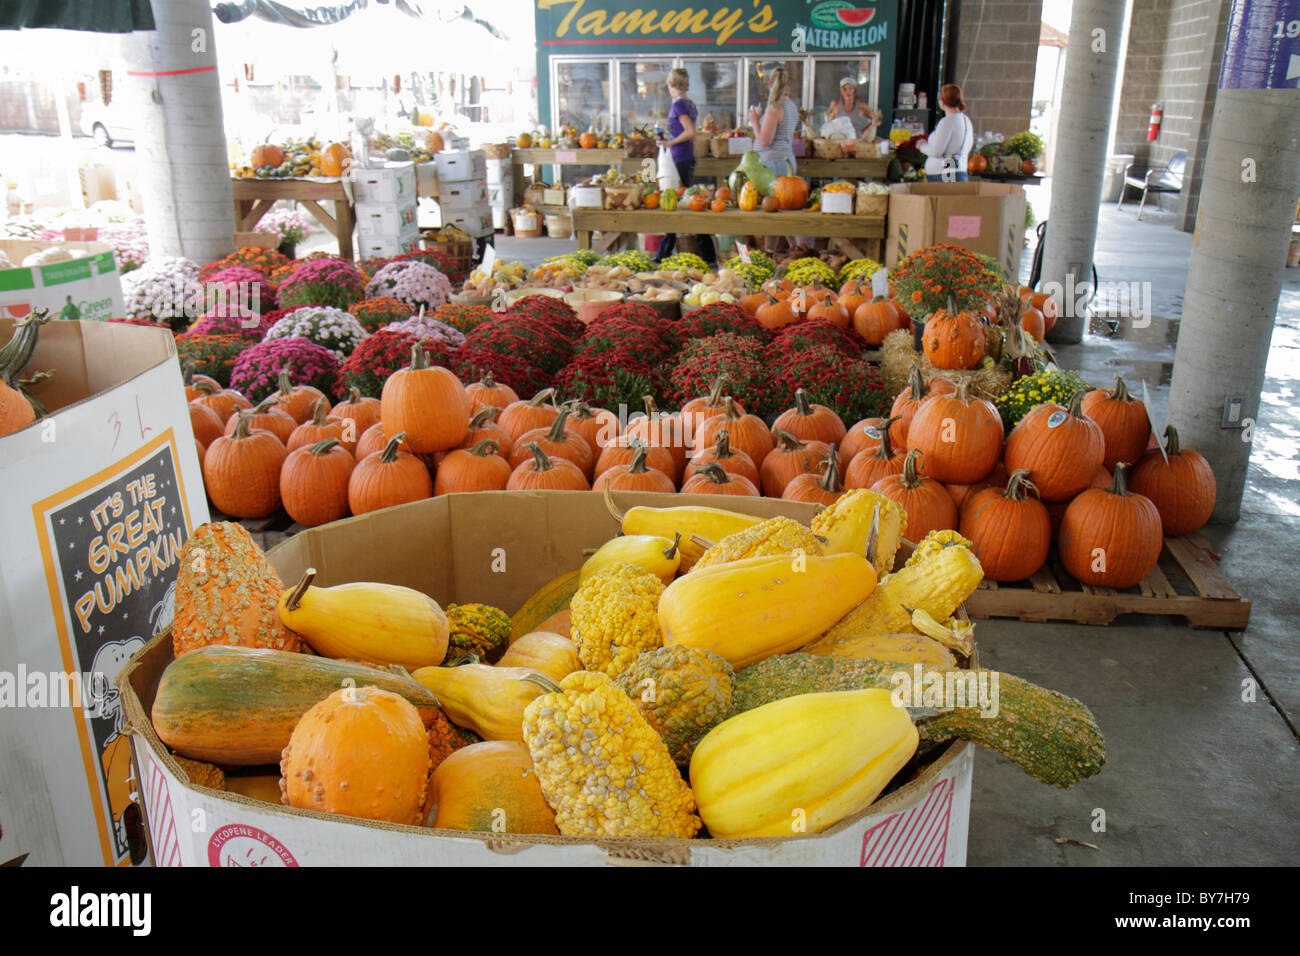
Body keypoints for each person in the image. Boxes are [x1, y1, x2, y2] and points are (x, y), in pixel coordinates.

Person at [654, 68, 716, 266]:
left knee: (674, 202)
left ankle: (665, 253)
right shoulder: (689, 103)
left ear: (671, 84)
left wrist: (668, 144)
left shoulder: (679, 104)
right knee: (687, 202)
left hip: (679, 158)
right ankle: (706, 253)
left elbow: (690, 132)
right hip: (685, 157)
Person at [748, 66, 798, 180]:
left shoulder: (775, 107)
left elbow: (765, 141)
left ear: (770, 84)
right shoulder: (792, 106)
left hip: (773, 164)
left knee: (770, 198)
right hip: (786, 161)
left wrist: (754, 121)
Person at [918, 84, 974, 182]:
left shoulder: (947, 122)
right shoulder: (966, 121)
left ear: (942, 102)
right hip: (960, 169)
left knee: (945, 197)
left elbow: (937, 151)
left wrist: (922, 146)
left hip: (944, 173)